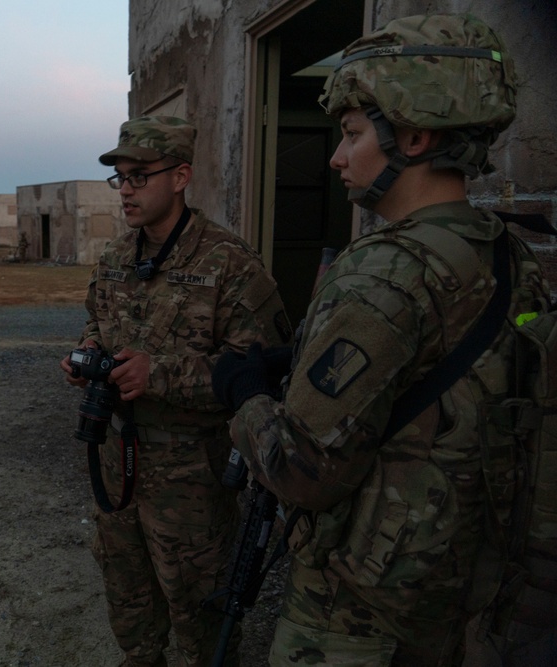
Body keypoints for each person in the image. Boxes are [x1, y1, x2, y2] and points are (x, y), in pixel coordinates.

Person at [211, 13, 552, 666]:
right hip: (464, 601)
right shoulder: (509, 252)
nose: (337, 156)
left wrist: (246, 391)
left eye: (352, 133)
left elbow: (301, 474)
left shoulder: (379, 271)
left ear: (416, 135)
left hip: (362, 622)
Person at [60, 115, 292, 666]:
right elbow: (98, 321)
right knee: (128, 595)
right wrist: (87, 356)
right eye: (121, 177)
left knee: (197, 609)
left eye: (140, 175)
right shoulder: (118, 257)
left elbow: (261, 370)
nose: (127, 189)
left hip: (192, 474)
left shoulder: (230, 263)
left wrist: (157, 374)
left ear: (181, 175)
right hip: (119, 458)